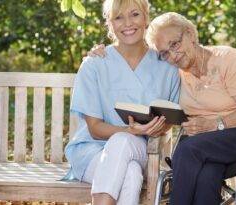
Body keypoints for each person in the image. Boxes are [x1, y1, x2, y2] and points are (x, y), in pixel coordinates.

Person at [89, 12, 236, 205]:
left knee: (187, 149)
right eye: (165, 53)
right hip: (210, 144)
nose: (173, 56)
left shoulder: (229, 59)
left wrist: (215, 124)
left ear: (191, 34)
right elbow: (137, 54)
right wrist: (104, 52)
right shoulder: (176, 73)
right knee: (207, 175)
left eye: (175, 44)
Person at [64, 1, 180, 205]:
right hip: (91, 152)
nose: (128, 23)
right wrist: (131, 130)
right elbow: (94, 129)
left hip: (142, 149)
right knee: (131, 174)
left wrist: (158, 128)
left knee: (122, 142)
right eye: (118, 17)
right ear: (110, 23)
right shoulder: (95, 64)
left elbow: (172, 115)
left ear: (145, 18)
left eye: (134, 14)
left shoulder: (167, 65)